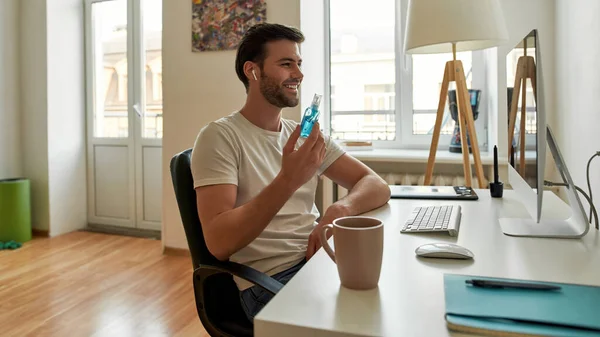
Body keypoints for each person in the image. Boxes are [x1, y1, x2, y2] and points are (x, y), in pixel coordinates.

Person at [191, 23, 391, 321]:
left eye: (298, 64)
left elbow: (375, 184)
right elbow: (219, 243)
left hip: (319, 262)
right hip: (270, 281)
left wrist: (339, 208)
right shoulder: (219, 137)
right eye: (286, 64)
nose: (298, 74)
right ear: (252, 71)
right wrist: (288, 180)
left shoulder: (300, 135)